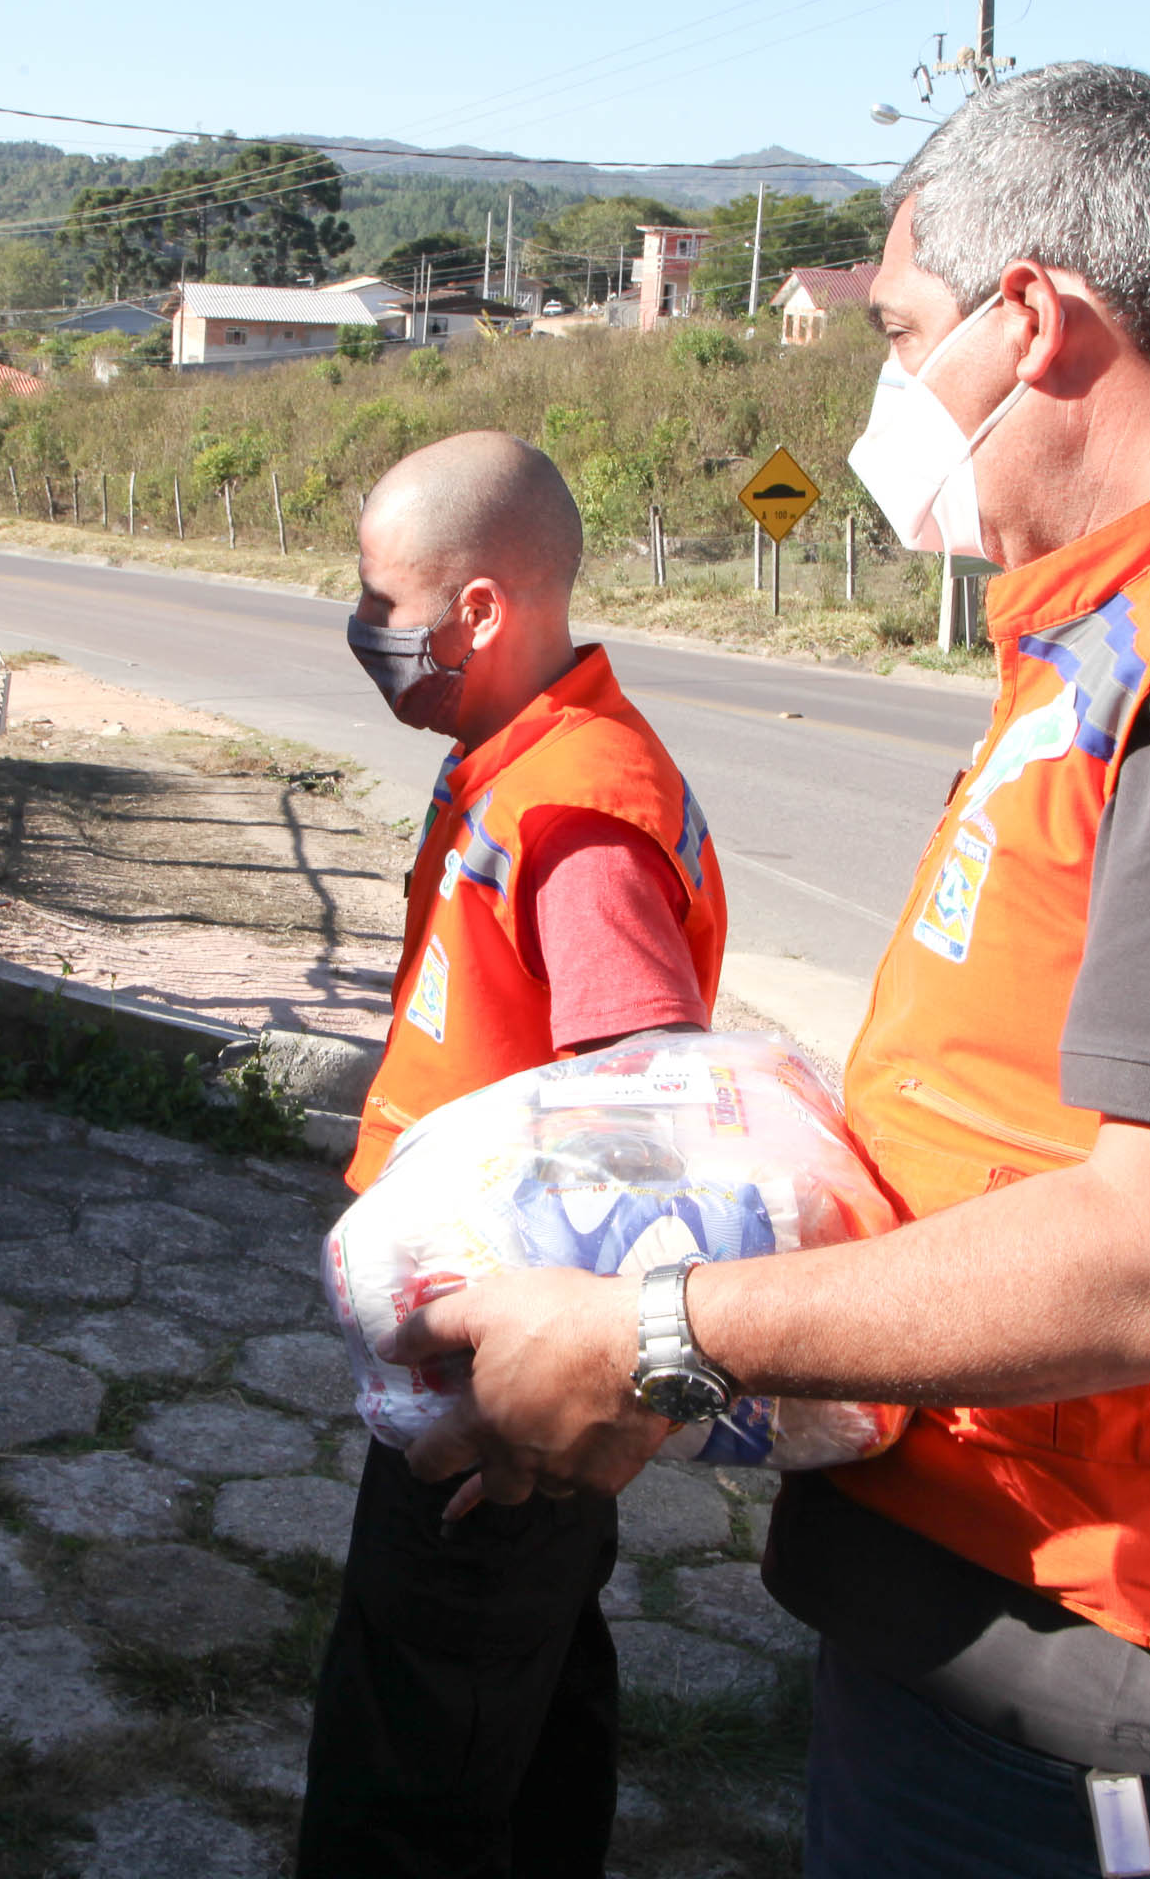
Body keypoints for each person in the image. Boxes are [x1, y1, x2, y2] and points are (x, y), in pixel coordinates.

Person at [387, 63, 1150, 1879]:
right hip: (1024, 1598)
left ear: (1032, 322)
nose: (885, 390)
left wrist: (661, 1333)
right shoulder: (1144, 611)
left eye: (902, 329)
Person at [298, 432, 731, 1878]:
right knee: (523, 1702)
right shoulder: (519, 761)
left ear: (479, 610)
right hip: (491, 1363)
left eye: (384, 600)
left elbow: (647, 1122)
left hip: (504, 1397)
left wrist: (550, 1392)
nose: (363, 626)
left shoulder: (574, 811)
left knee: (412, 1761)